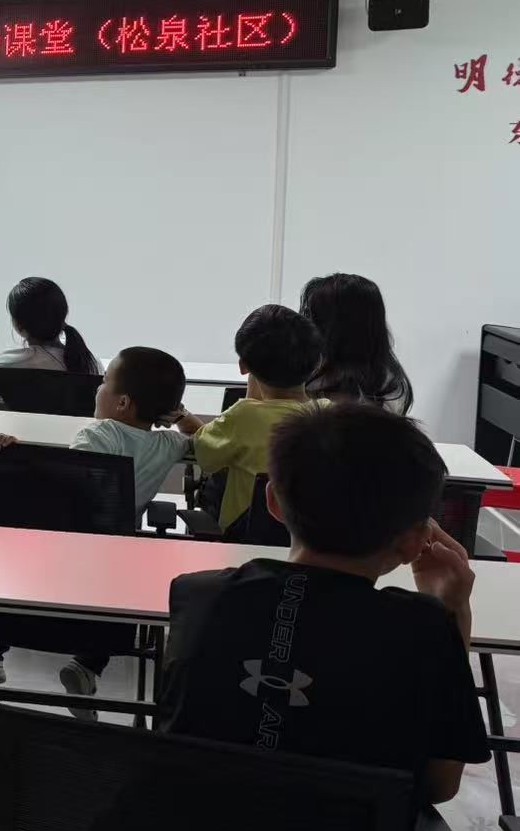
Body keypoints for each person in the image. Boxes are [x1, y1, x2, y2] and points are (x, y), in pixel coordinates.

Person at [160, 404, 488, 803]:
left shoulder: (198, 595)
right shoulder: (422, 628)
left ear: (273, 502)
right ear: (414, 541)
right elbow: (439, 785)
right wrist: (453, 611)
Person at [0, 347, 192, 712]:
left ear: (122, 403)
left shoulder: (98, 434)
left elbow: (62, 488)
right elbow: (203, 437)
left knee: (0, 554)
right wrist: (181, 416)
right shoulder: (170, 444)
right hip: (112, 576)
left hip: (56, 564)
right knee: (118, 578)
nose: (98, 388)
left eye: (104, 382)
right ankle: (87, 666)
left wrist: (13, 453)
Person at [174, 305, 327, 534]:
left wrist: (182, 416)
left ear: (243, 366)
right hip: (311, 539)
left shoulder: (244, 416)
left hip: (245, 541)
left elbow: (203, 452)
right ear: (317, 363)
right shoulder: (331, 416)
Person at [0, 276, 100, 407]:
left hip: (16, 429)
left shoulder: (6, 363)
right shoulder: (90, 363)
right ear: (63, 315)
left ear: (19, 326)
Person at [299, 272, 414, 414]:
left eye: (312, 315)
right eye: (306, 313)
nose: (305, 323)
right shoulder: (310, 368)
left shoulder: (382, 391)